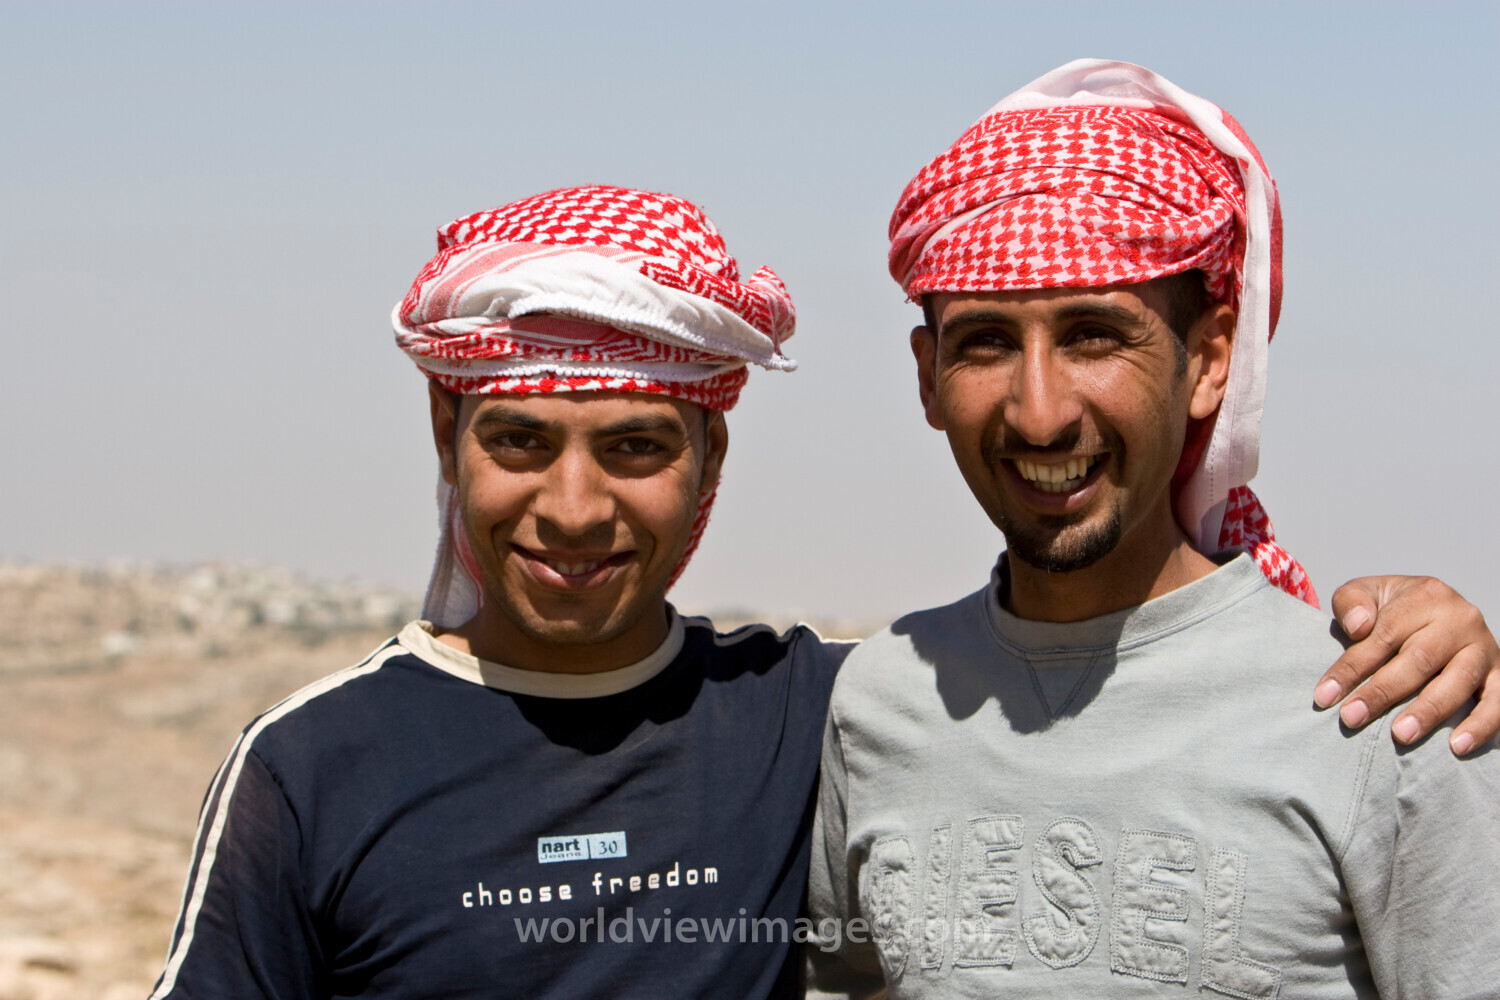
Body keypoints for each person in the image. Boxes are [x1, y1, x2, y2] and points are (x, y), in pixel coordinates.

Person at [150, 182, 1494, 999]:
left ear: (707, 461)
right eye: (518, 442)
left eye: (634, 447)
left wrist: (1422, 627)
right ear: (448, 446)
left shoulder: (825, 711)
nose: (573, 506)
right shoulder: (313, 768)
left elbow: (1104, 690)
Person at [807, 60, 1500, 999]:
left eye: (1094, 335)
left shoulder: (1384, 707)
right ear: (927, 377)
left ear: (1210, 361)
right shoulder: (876, 702)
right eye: (985, 343)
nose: (1039, 412)